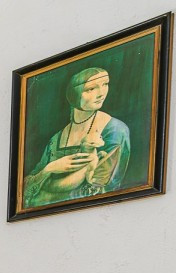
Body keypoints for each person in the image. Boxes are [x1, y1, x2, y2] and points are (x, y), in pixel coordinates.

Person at [23, 66, 131, 208]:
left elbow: (101, 189)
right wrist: (49, 169)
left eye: (105, 84)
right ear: (74, 94)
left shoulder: (115, 130)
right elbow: (26, 188)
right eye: (91, 89)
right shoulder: (56, 139)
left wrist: (48, 187)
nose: (101, 93)